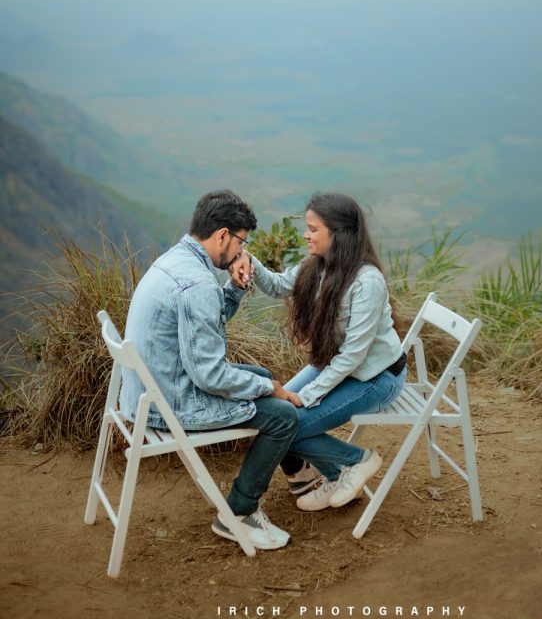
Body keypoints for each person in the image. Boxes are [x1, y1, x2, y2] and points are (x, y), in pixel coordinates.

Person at [120, 190, 300, 551]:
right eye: (241, 243)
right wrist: (272, 390)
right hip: (169, 405)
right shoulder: (198, 284)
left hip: (143, 391)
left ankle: (300, 475)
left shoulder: (177, 260)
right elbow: (209, 377)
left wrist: (233, 288)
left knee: (262, 375)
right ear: (222, 236)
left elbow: (203, 325)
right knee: (283, 416)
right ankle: (239, 513)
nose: (241, 253)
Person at [230, 192, 407, 512]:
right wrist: (246, 258)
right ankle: (336, 473)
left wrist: (309, 395)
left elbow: (354, 355)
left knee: (288, 425)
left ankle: (358, 461)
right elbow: (278, 285)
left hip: (375, 377)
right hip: (337, 366)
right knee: (276, 414)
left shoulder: (368, 281)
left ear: (337, 233)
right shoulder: (318, 266)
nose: (305, 234)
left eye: (313, 229)